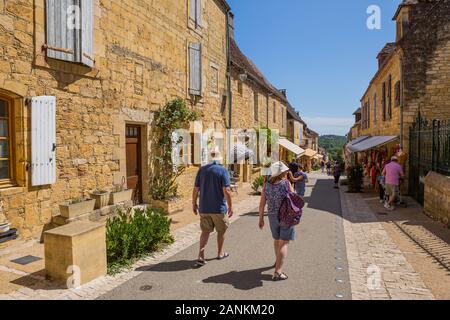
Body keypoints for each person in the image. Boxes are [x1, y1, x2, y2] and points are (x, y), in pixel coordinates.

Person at [192, 148, 233, 267]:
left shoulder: (201, 170)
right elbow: (227, 190)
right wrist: (230, 206)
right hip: (218, 208)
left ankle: (200, 256)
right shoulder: (222, 170)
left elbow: (195, 189)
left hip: (204, 208)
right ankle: (220, 253)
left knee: (205, 232)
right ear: (219, 158)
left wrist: (194, 204)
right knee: (221, 230)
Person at [259, 161, 296, 281]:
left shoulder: (266, 185)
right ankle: (278, 272)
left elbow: (262, 203)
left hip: (272, 215)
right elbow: (294, 199)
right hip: (286, 215)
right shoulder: (286, 183)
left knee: (276, 239)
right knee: (283, 242)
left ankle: (277, 261)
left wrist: (261, 219)